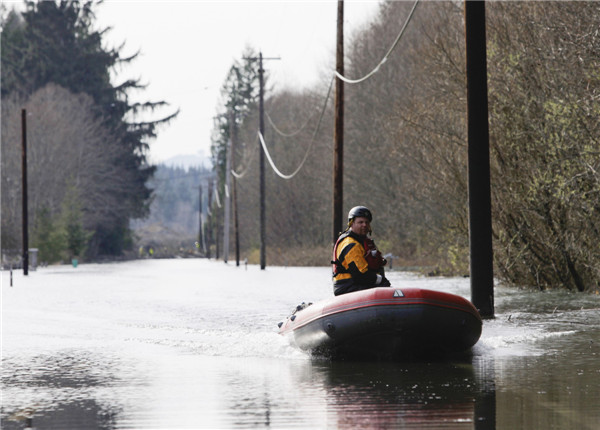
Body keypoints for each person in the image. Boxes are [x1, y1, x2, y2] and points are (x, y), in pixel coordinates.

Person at [332, 206, 391, 296]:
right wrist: (381, 280)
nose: (364, 225)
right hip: (347, 287)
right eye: (360, 222)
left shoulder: (364, 242)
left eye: (367, 222)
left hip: (362, 285)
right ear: (351, 224)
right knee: (384, 285)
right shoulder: (349, 244)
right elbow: (360, 275)